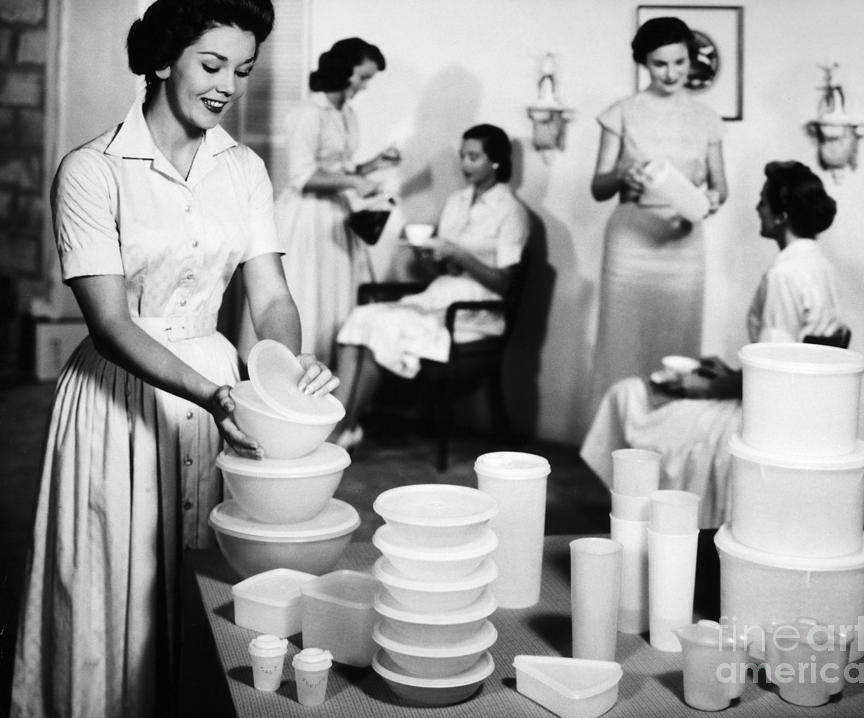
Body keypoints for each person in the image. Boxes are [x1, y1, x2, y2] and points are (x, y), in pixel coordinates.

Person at [11, 2, 338, 716]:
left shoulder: (244, 168)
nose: (228, 84)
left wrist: (285, 368)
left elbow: (272, 293)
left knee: (207, 579)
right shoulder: (92, 169)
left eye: (242, 70)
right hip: (120, 398)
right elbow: (108, 325)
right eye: (212, 64)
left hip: (218, 387)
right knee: (113, 582)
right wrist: (210, 392)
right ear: (163, 60)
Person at [581, 161, 842, 527]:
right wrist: (726, 372)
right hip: (806, 404)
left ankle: (646, 514)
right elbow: (793, 356)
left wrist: (704, 387)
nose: (757, 209)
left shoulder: (784, 275)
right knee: (652, 393)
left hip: (771, 413)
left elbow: (771, 376)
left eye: (763, 203)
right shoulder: (819, 266)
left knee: (630, 397)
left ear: (781, 217)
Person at [330, 124, 529, 448]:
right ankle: (341, 427)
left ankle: (343, 431)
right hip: (442, 293)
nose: (465, 164)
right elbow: (440, 269)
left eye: (473, 157)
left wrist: (459, 255)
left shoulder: (512, 212)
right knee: (364, 318)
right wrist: (426, 255)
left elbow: (505, 283)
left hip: (476, 310)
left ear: (495, 162)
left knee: (385, 322)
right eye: (463, 156)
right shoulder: (456, 201)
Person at [588, 16, 728, 402]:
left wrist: (711, 201)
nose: (671, 73)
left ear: (691, 60)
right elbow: (598, 188)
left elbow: (721, 187)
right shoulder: (621, 112)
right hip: (631, 243)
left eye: (679, 62)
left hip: (682, 244)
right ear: (644, 63)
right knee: (621, 343)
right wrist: (620, 174)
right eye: (660, 64)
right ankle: (616, 443)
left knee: (677, 349)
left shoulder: (706, 118)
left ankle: (670, 446)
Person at [238, 37, 400, 366]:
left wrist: (372, 165)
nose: (365, 86)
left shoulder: (347, 113)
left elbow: (338, 167)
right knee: (306, 294)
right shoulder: (307, 114)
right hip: (306, 218)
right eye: (364, 77)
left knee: (333, 299)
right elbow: (304, 176)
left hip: (335, 217)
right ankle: (287, 370)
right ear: (344, 71)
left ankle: (329, 381)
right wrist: (355, 181)